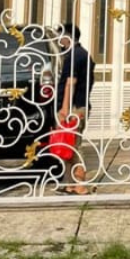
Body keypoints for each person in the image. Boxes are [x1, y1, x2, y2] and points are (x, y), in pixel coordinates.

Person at [55, 22, 95, 195]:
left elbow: (71, 83)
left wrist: (65, 108)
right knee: (67, 145)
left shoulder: (75, 56)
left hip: (74, 107)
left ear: (68, 37)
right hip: (77, 105)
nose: (58, 40)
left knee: (73, 145)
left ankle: (80, 184)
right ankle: (70, 184)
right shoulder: (80, 54)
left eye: (60, 36)